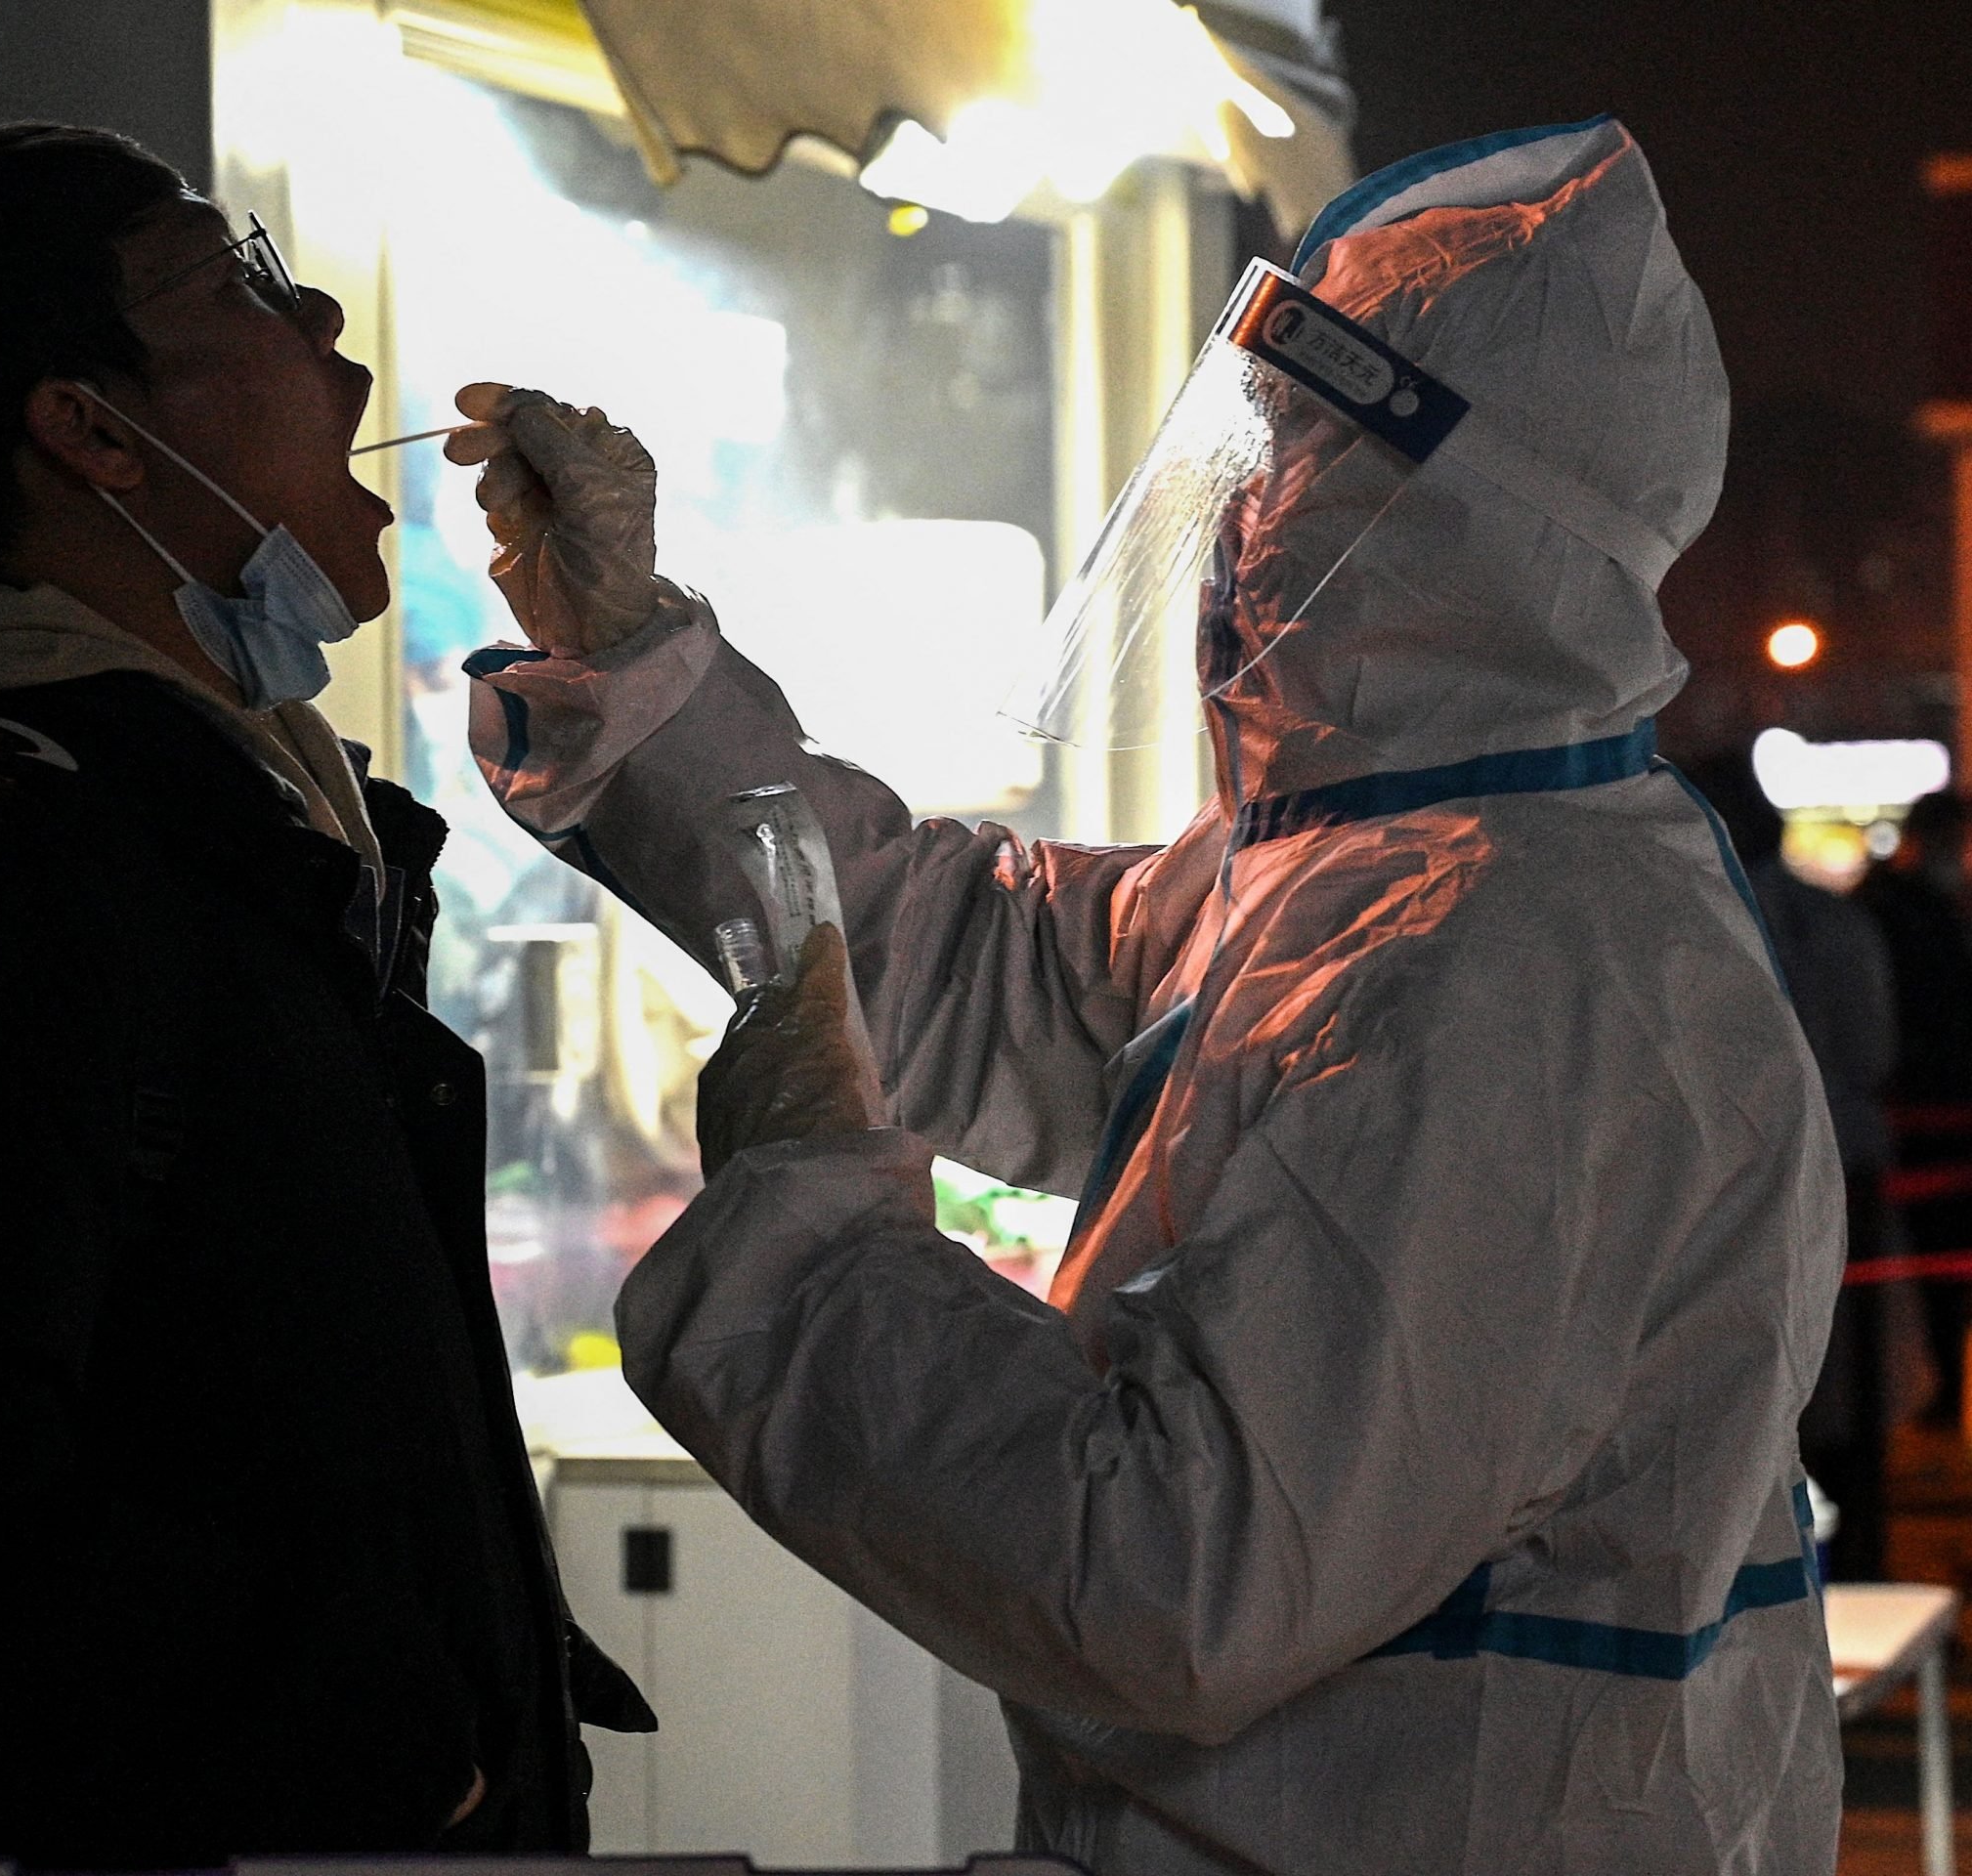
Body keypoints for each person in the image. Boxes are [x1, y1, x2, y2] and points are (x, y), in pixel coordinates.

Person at [453, 118, 1840, 1873]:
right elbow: (965, 949)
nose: (1239, 517)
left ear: (1455, 522)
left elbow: (1175, 1585)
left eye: (1288, 456)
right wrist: (641, 664)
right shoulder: (1395, 873)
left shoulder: (1514, 977)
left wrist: (817, 1239)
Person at [0, 123, 647, 1875]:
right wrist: (393, 1751)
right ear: (90, 432)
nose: (323, 315)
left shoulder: (183, 825)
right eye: (236, 281)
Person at [1682, 752, 1898, 1577]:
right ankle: (1856, 1559)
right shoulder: (1825, 919)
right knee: (1845, 1383)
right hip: (1842, 1156)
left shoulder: (1692, 915)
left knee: (1761, 1389)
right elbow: (1874, 1043)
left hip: (1730, 1174)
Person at [1854, 788, 1972, 1429]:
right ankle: (1939, 1387)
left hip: (1938, 1109)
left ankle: (1942, 1387)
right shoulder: (1903, 912)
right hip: (1925, 1111)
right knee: (1929, 1253)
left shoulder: (1917, 908)